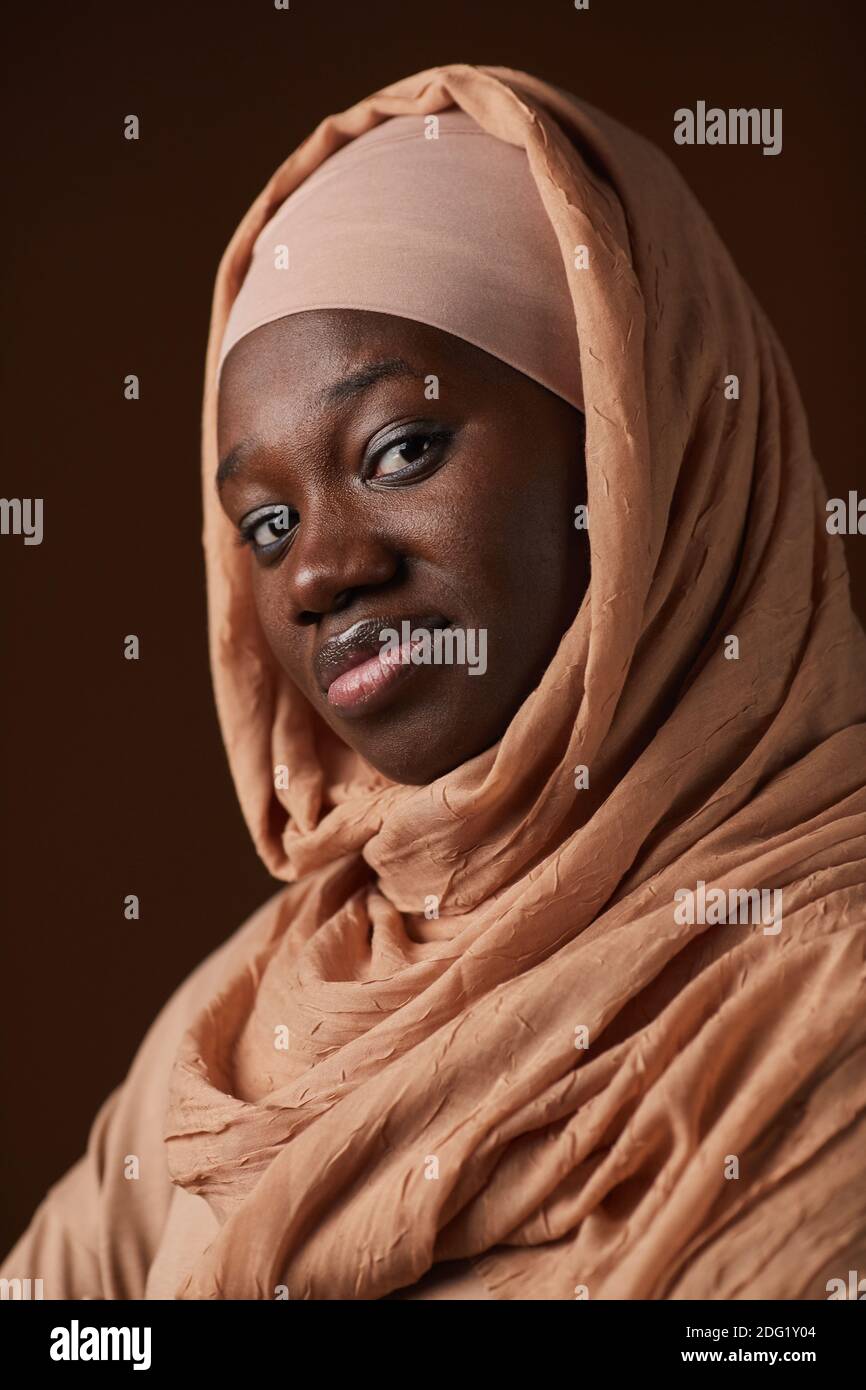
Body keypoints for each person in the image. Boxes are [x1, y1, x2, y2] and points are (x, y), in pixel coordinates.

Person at [3, 62, 865, 1301]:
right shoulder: (262, 1005)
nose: (320, 575)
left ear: (642, 446)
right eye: (264, 526)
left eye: (400, 449)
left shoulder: (810, 1008)